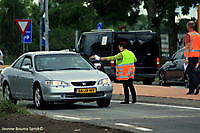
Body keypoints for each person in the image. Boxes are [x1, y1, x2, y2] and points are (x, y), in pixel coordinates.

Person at [100, 40, 137, 104]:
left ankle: (127, 100)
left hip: (125, 73)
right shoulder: (131, 53)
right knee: (131, 86)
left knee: (125, 86)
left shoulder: (121, 54)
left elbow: (113, 58)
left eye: (119, 47)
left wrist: (103, 58)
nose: (119, 48)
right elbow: (135, 60)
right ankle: (134, 99)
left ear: (121, 47)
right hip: (131, 72)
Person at [184, 21, 200, 95]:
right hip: (197, 56)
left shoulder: (188, 35)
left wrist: (186, 58)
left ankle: (197, 84)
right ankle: (191, 90)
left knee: (189, 71)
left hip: (191, 56)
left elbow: (187, 47)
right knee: (193, 72)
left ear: (189, 26)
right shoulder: (198, 35)